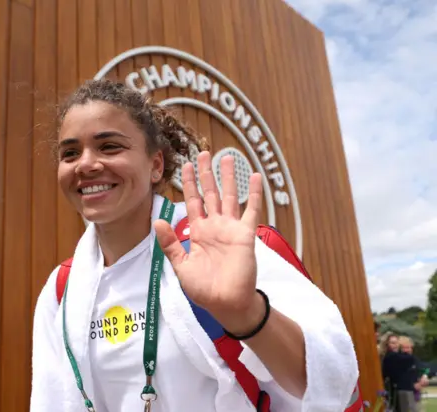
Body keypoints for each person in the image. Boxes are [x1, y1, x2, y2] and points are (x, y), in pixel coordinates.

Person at [30, 79, 359, 411]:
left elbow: (333, 382)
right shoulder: (63, 290)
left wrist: (246, 314)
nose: (85, 164)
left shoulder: (225, 252)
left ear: (155, 165)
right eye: (70, 153)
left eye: (109, 146)